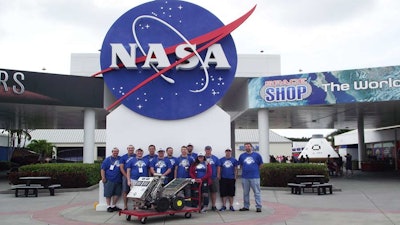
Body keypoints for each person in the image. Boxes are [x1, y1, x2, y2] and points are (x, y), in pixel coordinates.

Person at [238, 142, 263, 213]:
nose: (247, 148)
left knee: (257, 192)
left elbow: (260, 164)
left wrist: (255, 171)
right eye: (246, 146)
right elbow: (241, 165)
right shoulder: (242, 156)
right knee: (245, 193)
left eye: (248, 146)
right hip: (245, 177)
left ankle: (258, 206)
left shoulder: (257, 155)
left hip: (255, 177)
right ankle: (246, 206)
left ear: (251, 147)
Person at [101, 147, 123, 212]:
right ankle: (108, 206)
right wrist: (103, 177)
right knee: (108, 193)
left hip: (118, 179)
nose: (116, 153)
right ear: (112, 152)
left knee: (117, 193)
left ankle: (113, 205)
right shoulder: (107, 160)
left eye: (117, 152)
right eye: (114, 151)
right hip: (109, 179)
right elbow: (103, 169)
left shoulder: (120, 159)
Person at [119, 145, 136, 210]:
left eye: (132, 148)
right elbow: (121, 168)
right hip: (125, 176)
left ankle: (135, 205)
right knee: (125, 191)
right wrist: (127, 176)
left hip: (134, 177)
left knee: (135, 191)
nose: (130, 150)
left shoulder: (136, 156)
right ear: (127, 149)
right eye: (129, 148)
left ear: (134, 149)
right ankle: (125, 206)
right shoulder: (123, 157)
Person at [204, 145, 220, 211]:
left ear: (211, 150)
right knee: (205, 192)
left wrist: (218, 175)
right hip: (205, 178)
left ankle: (213, 205)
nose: (208, 151)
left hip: (213, 177)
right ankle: (204, 206)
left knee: (213, 192)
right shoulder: (202, 158)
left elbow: (218, 166)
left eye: (209, 149)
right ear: (205, 150)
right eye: (207, 150)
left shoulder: (215, 158)